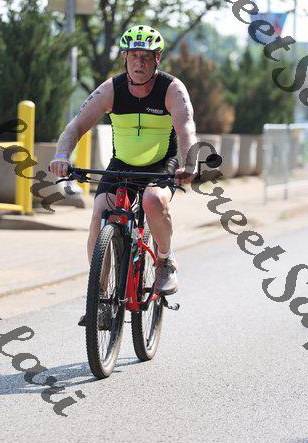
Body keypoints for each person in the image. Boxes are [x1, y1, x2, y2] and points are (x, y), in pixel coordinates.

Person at [49, 24, 197, 323]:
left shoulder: (171, 89)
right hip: (122, 164)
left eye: (146, 57)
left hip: (161, 163)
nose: (139, 63)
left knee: (153, 201)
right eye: (133, 56)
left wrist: (190, 164)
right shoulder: (111, 89)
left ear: (157, 59)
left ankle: (165, 261)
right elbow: (75, 127)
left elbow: (186, 129)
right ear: (125, 58)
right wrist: (62, 156)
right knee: (99, 212)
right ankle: (100, 298)